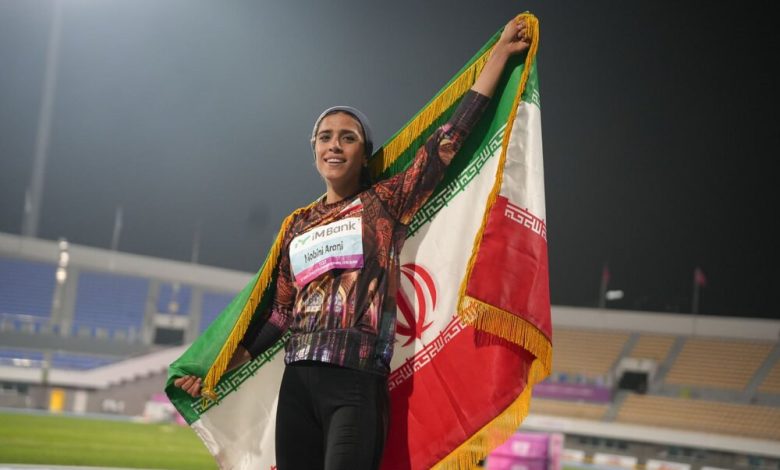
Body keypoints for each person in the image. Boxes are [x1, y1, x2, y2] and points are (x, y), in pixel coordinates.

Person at [174, 16, 532, 470]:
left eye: (348, 138)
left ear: (364, 153)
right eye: (325, 137)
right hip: (297, 383)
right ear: (314, 151)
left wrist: (499, 55)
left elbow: (449, 140)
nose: (335, 146)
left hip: (357, 381)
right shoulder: (296, 225)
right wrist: (221, 364)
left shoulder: (385, 201)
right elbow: (279, 315)